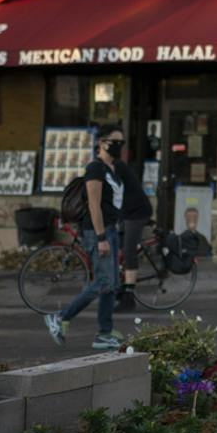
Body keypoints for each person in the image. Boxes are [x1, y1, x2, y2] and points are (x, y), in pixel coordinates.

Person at [46, 127, 128, 351]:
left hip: (111, 230)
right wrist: (101, 237)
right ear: (102, 143)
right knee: (103, 282)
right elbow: (94, 204)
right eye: (114, 141)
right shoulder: (95, 168)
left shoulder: (113, 170)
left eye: (122, 141)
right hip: (97, 232)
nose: (119, 145)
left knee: (111, 284)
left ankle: (105, 332)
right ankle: (61, 317)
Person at [116, 138, 153, 311]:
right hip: (124, 212)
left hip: (137, 212)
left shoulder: (118, 167)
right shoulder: (106, 167)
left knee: (129, 250)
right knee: (118, 248)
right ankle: (119, 287)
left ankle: (129, 297)